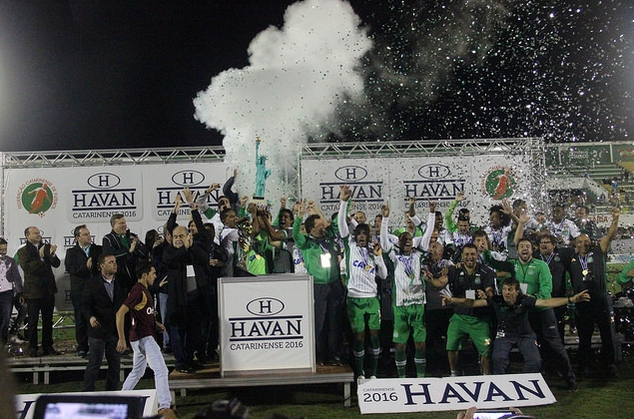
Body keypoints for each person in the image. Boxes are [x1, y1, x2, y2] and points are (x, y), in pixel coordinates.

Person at [443, 277, 590, 375]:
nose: (506, 292)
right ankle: (503, 387)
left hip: (525, 335)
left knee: (535, 361)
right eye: (505, 289)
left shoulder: (525, 300)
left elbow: (546, 302)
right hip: (504, 335)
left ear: (517, 291)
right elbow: (473, 303)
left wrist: (571, 299)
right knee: (498, 358)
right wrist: (453, 300)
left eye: (510, 289)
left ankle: (526, 385)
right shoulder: (496, 300)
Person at [484, 236, 578, 390]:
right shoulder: (512, 265)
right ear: (517, 250)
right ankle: (533, 380)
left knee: (554, 345)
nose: (525, 249)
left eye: (528, 246)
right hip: (525, 313)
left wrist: (532, 299)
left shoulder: (541, 266)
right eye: (522, 246)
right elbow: (493, 263)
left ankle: (570, 378)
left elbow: (547, 290)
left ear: (532, 249)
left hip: (542, 310)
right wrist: (486, 250)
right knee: (532, 346)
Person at [380, 200, 436, 378]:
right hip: (401, 306)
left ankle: (420, 377)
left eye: (410, 240)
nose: (407, 242)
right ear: (399, 242)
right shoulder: (394, 258)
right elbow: (383, 242)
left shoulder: (418, 255)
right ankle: (402, 378)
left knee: (420, 344)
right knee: (400, 344)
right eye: (404, 239)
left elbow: (427, 235)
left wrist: (432, 213)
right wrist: (385, 219)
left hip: (418, 304)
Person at [338, 185, 387, 382]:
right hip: (354, 299)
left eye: (364, 234)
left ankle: (373, 373)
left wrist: (379, 258)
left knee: (374, 337)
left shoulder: (373, 252)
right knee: (358, 338)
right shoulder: (349, 247)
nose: (360, 236)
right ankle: (360, 374)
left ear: (367, 237)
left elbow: (383, 276)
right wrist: (343, 202)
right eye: (358, 233)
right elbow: (342, 224)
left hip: (372, 300)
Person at [567, 208, 620, 378]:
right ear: (576, 245)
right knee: (584, 337)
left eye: (586, 241)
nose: (584, 243)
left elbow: (610, 235)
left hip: (600, 299)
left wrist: (615, 219)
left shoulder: (598, 252)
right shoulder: (572, 260)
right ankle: (584, 366)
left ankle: (610, 365)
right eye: (580, 241)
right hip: (583, 302)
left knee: (607, 334)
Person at [116, 261, 173, 416]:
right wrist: (121, 338)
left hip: (139, 337)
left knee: (137, 371)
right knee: (161, 370)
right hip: (144, 337)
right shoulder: (138, 292)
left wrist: (155, 323)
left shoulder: (142, 290)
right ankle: (164, 405)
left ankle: (122, 397)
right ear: (144, 275)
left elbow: (141, 313)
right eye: (153, 273)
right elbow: (120, 313)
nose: (155, 276)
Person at [292, 196, 344, 365]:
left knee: (334, 321)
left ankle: (332, 354)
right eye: (319, 226)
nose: (323, 227)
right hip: (318, 286)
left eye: (322, 225)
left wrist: (316, 210)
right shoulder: (306, 244)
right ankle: (318, 355)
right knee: (320, 322)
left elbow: (332, 226)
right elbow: (294, 234)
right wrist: (299, 216)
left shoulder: (328, 239)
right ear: (310, 229)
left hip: (334, 285)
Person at [431, 244, 495, 375]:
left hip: (480, 319)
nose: (470, 257)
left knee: (486, 351)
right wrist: (430, 278)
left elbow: (490, 291)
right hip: (459, 317)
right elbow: (439, 284)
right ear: (462, 256)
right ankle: (454, 373)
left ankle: (486, 377)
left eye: (472, 254)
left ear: (477, 255)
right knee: (451, 345)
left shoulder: (486, 271)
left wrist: (486, 294)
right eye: (467, 254)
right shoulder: (454, 270)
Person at [82, 253, 126, 391]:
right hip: (98, 330)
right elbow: (85, 304)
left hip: (114, 330)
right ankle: (87, 392)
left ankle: (112, 392)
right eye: (111, 262)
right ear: (102, 265)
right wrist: (91, 317)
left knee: (115, 364)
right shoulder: (92, 283)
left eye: (115, 262)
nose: (115, 264)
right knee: (95, 362)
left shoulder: (121, 282)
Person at [17, 226, 61, 357]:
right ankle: (32, 347)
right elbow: (29, 268)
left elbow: (56, 263)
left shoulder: (46, 248)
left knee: (48, 320)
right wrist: (41, 258)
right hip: (33, 292)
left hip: (48, 290)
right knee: (33, 321)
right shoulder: (23, 251)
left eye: (39, 233)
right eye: (35, 233)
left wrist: (52, 254)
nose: (38, 235)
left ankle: (48, 346)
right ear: (27, 236)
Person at [65, 224, 102, 357]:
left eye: (88, 234)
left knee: (96, 317)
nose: (88, 236)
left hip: (96, 290)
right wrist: (85, 267)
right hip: (80, 291)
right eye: (85, 234)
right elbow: (71, 269)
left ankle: (96, 345)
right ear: (77, 237)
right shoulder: (71, 252)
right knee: (81, 319)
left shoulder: (97, 250)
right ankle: (82, 346)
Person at [102, 214, 147, 291]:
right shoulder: (108, 239)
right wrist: (128, 251)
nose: (124, 225)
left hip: (135, 277)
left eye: (124, 223)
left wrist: (138, 245)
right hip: (119, 279)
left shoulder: (132, 236)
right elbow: (109, 256)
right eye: (121, 223)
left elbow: (144, 254)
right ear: (113, 226)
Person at [0, 238, 22, 344]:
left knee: (5, 318)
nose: (3, 252)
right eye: (1, 250)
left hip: (7, 292)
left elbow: (17, 278)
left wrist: (19, 292)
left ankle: (3, 344)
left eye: (5, 249)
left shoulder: (11, 261)